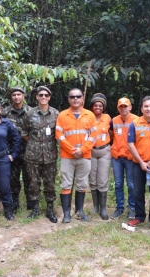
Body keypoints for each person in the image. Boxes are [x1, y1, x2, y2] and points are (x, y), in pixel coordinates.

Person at [55, 88, 97, 223]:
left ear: (82, 98)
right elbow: (59, 136)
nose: (75, 99)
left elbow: (93, 135)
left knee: (82, 184)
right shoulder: (62, 115)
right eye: (72, 97)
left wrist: (82, 150)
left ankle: (80, 211)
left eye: (78, 96)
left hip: (84, 156)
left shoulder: (89, 115)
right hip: (67, 156)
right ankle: (66, 213)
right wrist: (72, 150)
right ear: (69, 99)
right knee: (66, 184)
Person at [21, 86, 59, 223]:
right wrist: (35, 144)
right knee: (33, 183)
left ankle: (50, 209)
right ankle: (35, 208)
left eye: (46, 95)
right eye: (41, 95)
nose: (43, 97)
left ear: (49, 97)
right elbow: (24, 133)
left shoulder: (56, 114)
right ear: (37, 97)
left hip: (50, 155)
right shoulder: (30, 113)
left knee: (50, 183)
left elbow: (59, 134)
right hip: (32, 155)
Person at [127, 96, 150, 229]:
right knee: (137, 191)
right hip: (138, 164)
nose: (148, 108)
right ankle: (139, 216)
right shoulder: (135, 123)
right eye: (146, 106)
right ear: (142, 108)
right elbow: (130, 144)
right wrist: (141, 162)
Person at [2, 87, 31, 212]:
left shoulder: (31, 111)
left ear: (23, 96)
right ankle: (15, 202)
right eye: (14, 95)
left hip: (28, 150)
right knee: (13, 177)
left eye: (19, 94)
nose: (16, 97)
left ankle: (30, 202)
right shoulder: (5, 112)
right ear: (11, 97)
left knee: (29, 177)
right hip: (11, 150)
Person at [109, 98, 138, 220]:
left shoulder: (136, 120)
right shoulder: (113, 121)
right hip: (117, 157)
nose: (123, 108)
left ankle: (132, 208)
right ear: (118, 108)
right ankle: (119, 208)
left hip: (131, 157)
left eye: (126, 106)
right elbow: (110, 135)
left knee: (131, 185)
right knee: (118, 184)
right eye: (121, 106)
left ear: (130, 107)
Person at [89, 93, 111, 220]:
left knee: (102, 180)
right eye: (96, 105)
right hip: (90, 151)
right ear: (92, 106)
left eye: (100, 105)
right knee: (92, 180)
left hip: (104, 152)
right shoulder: (87, 117)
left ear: (103, 107)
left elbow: (112, 132)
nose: (98, 107)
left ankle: (103, 209)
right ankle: (95, 207)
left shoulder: (107, 118)